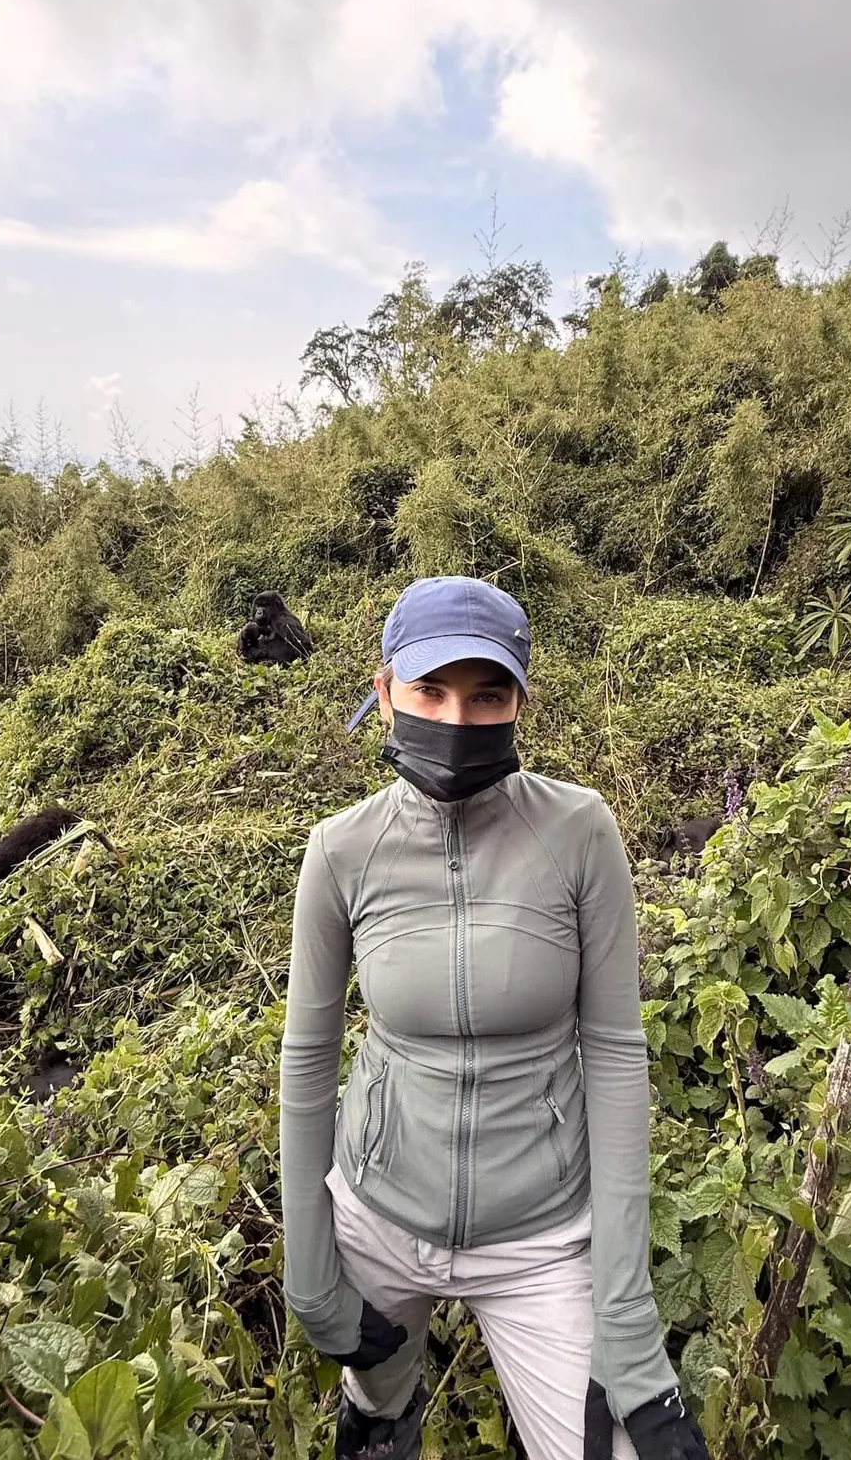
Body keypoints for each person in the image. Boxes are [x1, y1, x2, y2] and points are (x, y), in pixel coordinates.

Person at [279, 577, 707, 1460]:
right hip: (378, 1217)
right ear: (385, 688)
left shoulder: (581, 831)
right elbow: (308, 1059)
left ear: (520, 700)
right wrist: (311, 1269)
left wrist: (625, 1311)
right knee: (378, 1410)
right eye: (430, 691)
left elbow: (620, 1060)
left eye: (486, 695)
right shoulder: (341, 851)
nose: (456, 719)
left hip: (541, 1236)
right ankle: (385, 1422)